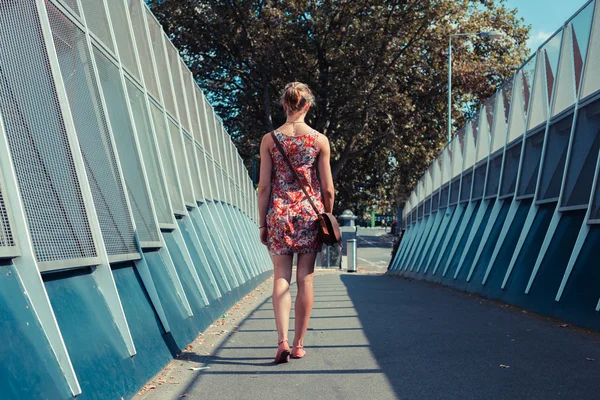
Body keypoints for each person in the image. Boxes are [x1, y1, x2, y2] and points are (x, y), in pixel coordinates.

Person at [257, 82, 335, 364]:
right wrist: (327, 214)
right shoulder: (319, 140)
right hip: (309, 214)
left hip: (278, 213)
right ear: (307, 106)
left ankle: (282, 341)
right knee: (306, 278)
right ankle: (300, 344)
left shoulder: (270, 140)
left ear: (284, 105)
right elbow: (327, 189)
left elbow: (263, 186)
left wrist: (263, 223)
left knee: (281, 277)